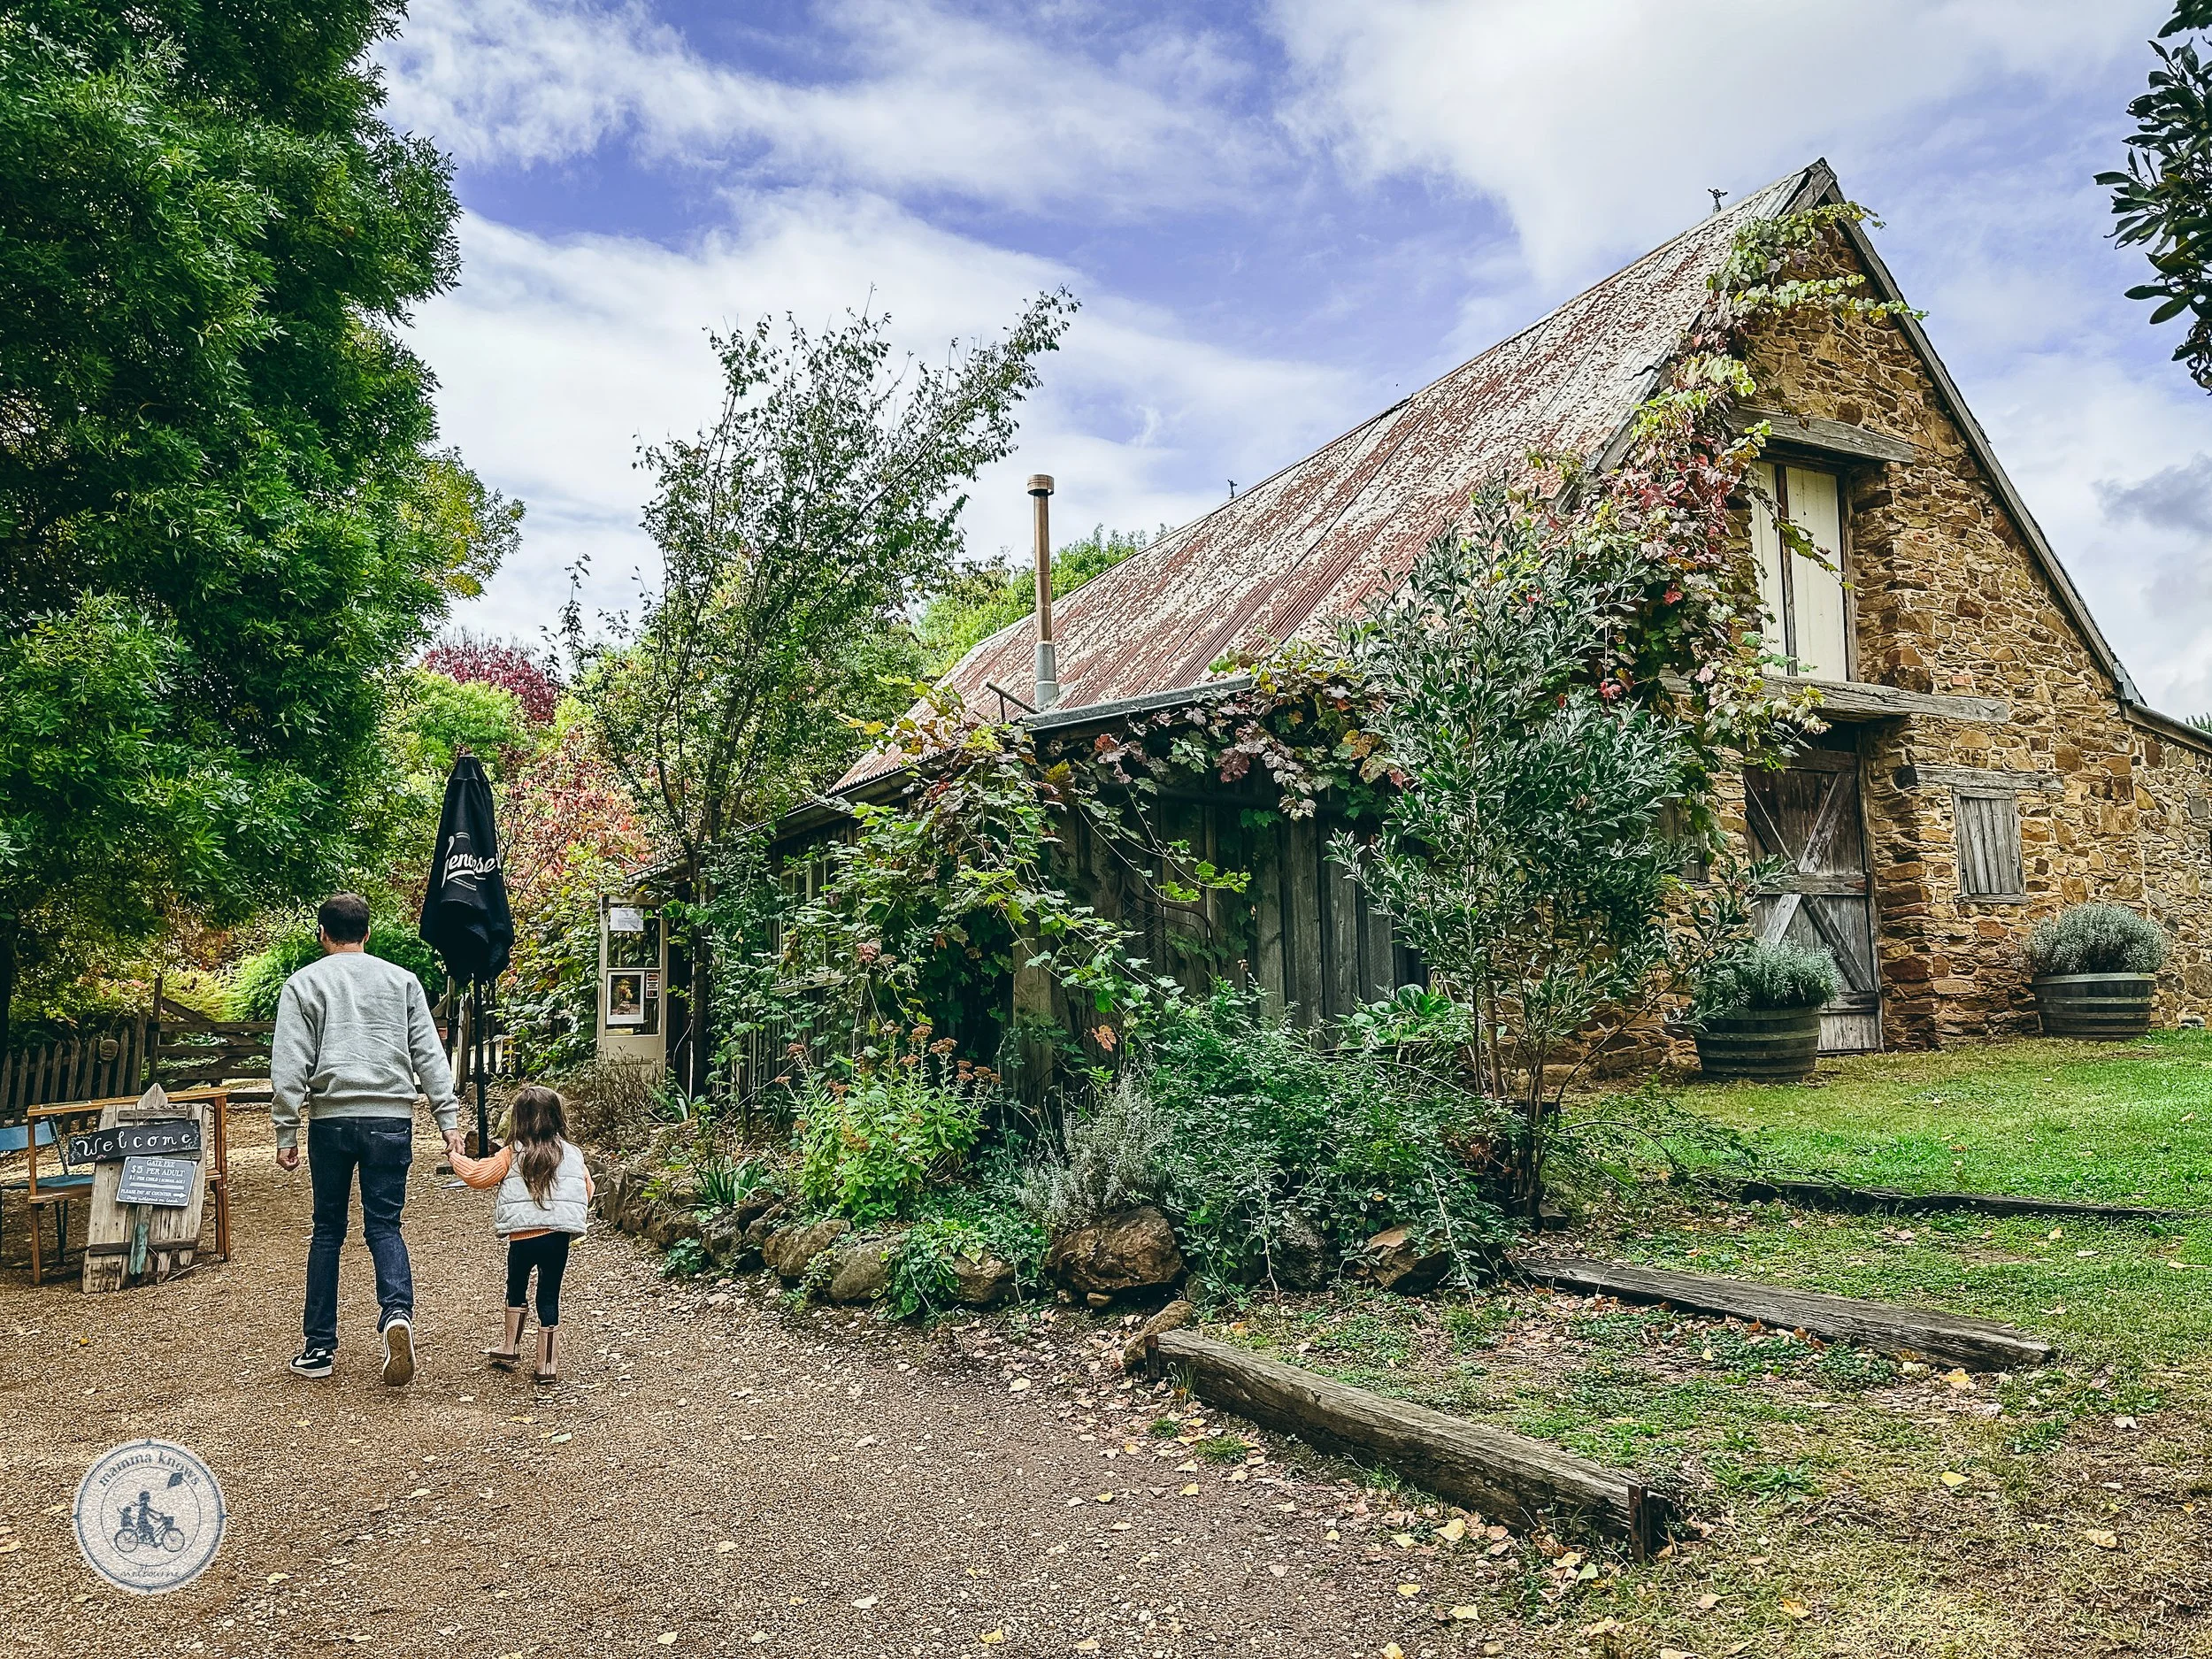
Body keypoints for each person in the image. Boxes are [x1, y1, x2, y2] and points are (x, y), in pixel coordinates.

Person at [272, 893, 465, 1386]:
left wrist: (286, 1128)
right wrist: (448, 1123)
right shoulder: (402, 982)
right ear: (368, 932)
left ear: (322, 933)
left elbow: (290, 1060)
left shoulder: (304, 983)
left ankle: (318, 1348)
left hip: (331, 1121)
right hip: (390, 1119)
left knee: (327, 1230)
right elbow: (429, 1054)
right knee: (385, 1226)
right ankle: (396, 1315)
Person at [449, 1085, 591, 1383]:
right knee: (549, 1295)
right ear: (557, 1118)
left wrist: (455, 1157)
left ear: (519, 1120)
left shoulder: (511, 1154)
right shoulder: (573, 1154)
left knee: (516, 1287)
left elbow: (478, 1177)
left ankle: (510, 1346)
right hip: (557, 1237)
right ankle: (547, 1365)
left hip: (523, 1239)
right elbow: (587, 1189)